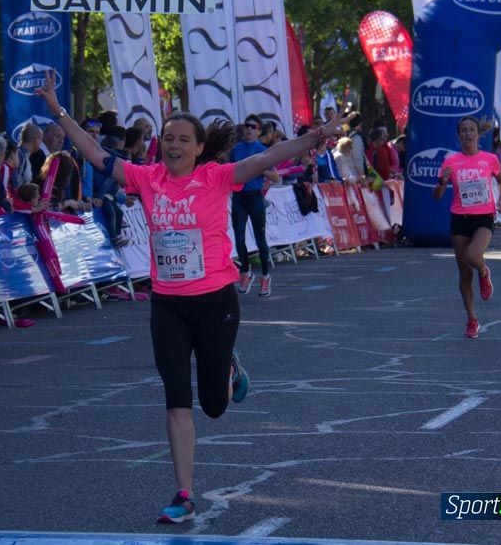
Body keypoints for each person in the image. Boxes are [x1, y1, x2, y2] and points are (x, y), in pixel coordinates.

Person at [35, 69, 342, 523]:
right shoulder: (145, 178)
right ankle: (184, 494)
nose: (173, 145)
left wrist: (317, 135)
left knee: (214, 406)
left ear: (199, 148)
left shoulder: (218, 177)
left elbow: (272, 154)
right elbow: (95, 153)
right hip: (168, 304)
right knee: (176, 398)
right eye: (167, 138)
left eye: (183, 140)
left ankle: (229, 366)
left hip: (215, 300)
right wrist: (58, 110)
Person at [433, 116, 501, 339]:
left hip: (484, 216)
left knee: (474, 256)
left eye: (471, 130)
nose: (467, 134)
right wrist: (442, 183)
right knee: (465, 273)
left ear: (478, 133)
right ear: (459, 135)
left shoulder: (490, 159)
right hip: (460, 218)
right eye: (463, 130)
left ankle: (484, 272)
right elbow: (437, 196)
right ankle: (472, 319)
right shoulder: (450, 162)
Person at [230, 115, 279, 296]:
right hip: (239, 198)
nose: (249, 129)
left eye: (253, 126)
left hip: (255, 197)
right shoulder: (236, 149)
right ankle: (246, 272)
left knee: (260, 240)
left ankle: (265, 276)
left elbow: (276, 177)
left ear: (259, 131)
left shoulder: (263, 151)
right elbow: (229, 171)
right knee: (239, 239)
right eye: (246, 126)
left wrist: (261, 168)